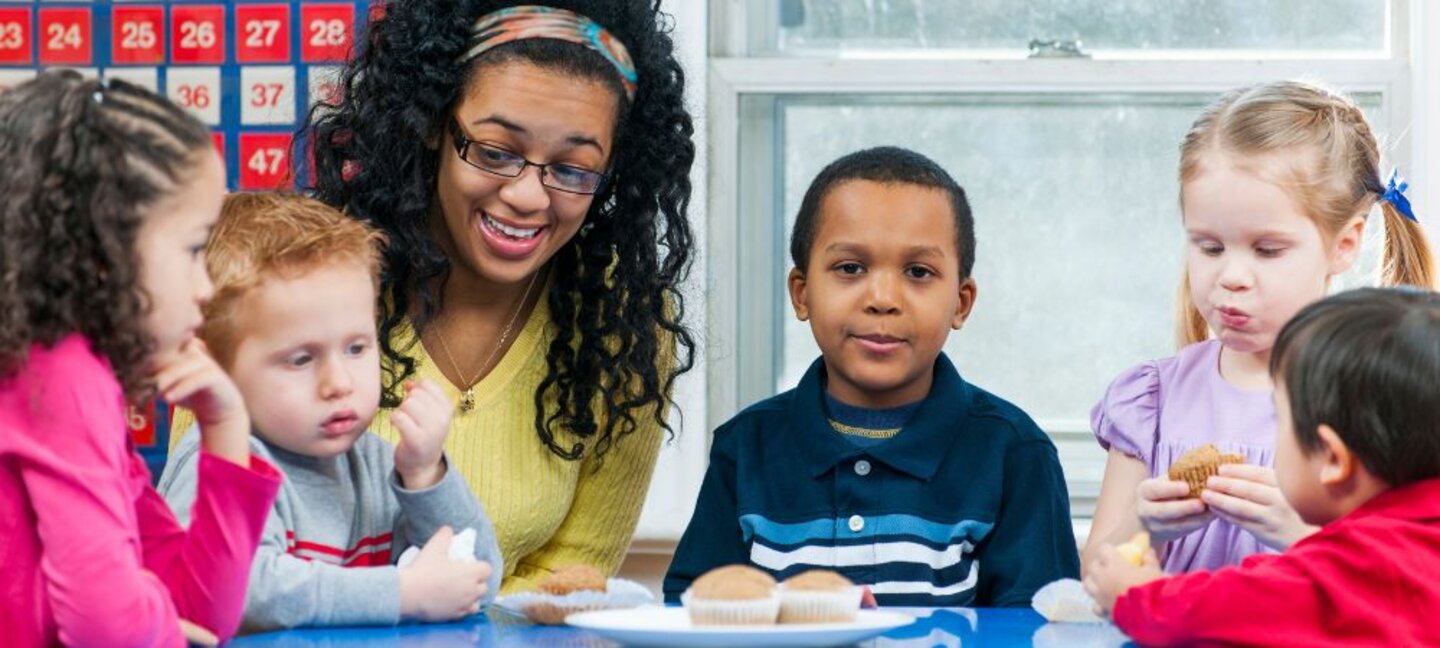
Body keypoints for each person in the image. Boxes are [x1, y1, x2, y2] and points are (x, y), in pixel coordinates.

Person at [304, 0, 698, 592]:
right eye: (494, 152)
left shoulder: (622, 321)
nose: (528, 197)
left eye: (573, 168)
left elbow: (570, 582)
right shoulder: (296, 281)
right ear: (434, 123)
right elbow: (223, 554)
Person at [663, 147, 1080, 607]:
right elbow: (693, 614)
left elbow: (1040, 630)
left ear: (960, 302)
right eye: (851, 268)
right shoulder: (745, 448)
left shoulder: (1015, 454)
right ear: (802, 295)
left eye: (918, 272)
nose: (882, 298)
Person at [1084, 80, 1435, 575]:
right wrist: (1145, 525)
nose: (1230, 277)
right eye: (1209, 247)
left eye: (1268, 250)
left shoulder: (1382, 399)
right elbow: (1094, 579)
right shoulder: (1153, 399)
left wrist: (1299, 535)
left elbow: (1404, 586)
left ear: (1345, 244)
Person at [0, 71, 281, 647]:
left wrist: (225, 427)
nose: (206, 288)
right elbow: (109, 629)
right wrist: (154, 624)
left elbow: (200, 615)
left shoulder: (82, 375)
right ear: (105, 252)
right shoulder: (60, 376)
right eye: (194, 248)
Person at [159, 193, 503, 632]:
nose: (339, 382)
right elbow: (235, 588)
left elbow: (477, 580)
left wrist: (426, 476)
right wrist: (403, 593)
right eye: (301, 359)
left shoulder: (378, 463)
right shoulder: (219, 465)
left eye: (357, 348)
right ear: (215, 369)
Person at [1086, 287, 1440, 646]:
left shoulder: (1344, 568)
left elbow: (1213, 612)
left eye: (1278, 417)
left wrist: (1134, 595)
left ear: (1333, 460)